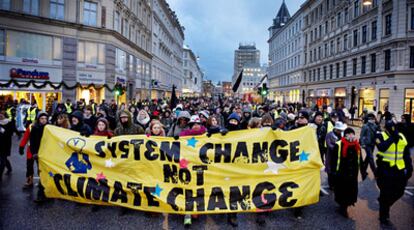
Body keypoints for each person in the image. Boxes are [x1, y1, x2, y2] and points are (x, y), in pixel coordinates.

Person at [375, 120, 412, 226]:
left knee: (400, 191)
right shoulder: (379, 135)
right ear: (385, 128)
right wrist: (392, 137)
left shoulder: (401, 137)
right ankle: (383, 217)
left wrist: (409, 168)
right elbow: (382, 147)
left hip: (399, 170)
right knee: (385, 193)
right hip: (385, 170)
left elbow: (406, 155)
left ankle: (385, 204)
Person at [333, 128, 365, 218]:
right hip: (341, 173)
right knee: (341, 191)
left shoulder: (356, 145)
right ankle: (343, 208)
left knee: (351, 191)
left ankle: (344, 206)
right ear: (345, 135)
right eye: (348, 134)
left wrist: (363, 171)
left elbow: (360, 159)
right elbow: (334, 160)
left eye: (352, 133)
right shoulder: (339, 144)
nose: (351, 135)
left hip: (353, 173)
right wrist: (333, 172)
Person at [30, 112, 49, 202]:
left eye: (45, 118)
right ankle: (41, 195)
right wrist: (34, 153)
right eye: (42, 118)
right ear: (38, 119)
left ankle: (45, 194)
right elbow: (32, 142)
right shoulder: (35, 128)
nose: (44, 120)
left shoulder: (50, 128)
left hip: (48, 154)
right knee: (41, 173)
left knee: (48, 174)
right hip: (39, 155)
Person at [325, 121, 347, 190]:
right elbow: (329, 145)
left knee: (337, 170)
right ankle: (331, 185)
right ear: (336, 129)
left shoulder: (342, 134)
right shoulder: (329, 135)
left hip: (339, 156)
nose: (340, 131)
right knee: (330, 171)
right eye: (339, 130)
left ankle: (336, 183)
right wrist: (337, 147)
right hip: (331, 156)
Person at [359, 113, 378, 177]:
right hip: (367, 144)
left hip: (373, 143)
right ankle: (375, 172)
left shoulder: (375, 125)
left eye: (373, 119)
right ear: (369, 119)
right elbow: (361, 136)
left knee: (368, 158)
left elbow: (378, 132)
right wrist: (362, 144)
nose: (373, 120)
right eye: (372, 119)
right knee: (371, 158)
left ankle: (363, 169)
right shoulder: (365, 126)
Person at [0, 110, 14, 181]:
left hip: (6, 143)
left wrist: (3, 131)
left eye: (2, 114)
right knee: (3, 158)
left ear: (5, 115)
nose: (1, 115)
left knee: (2, 159)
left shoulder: (9, 122)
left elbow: (11, 132)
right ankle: (9, 168)